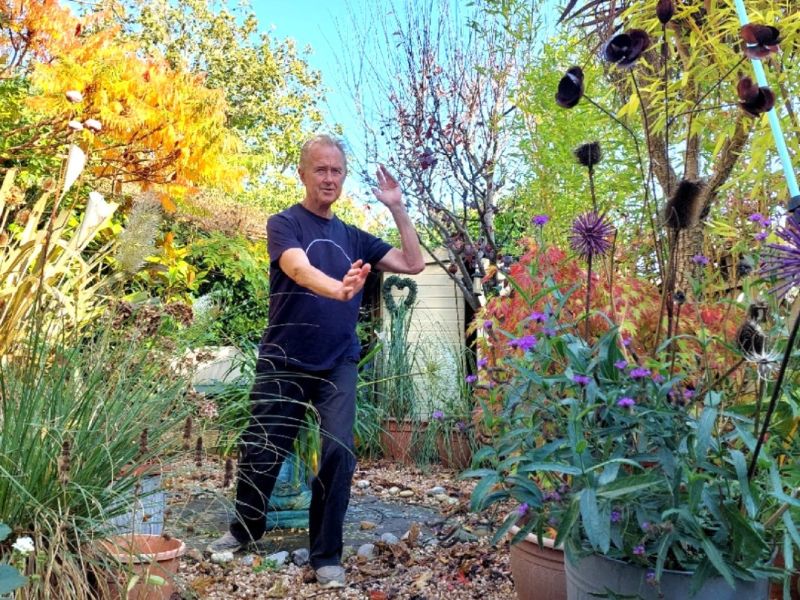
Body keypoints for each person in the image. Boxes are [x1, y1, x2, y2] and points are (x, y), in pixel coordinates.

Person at [207, 135, 424, 588]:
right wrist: (338, 289)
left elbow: (413, 262)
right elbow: (296, 268)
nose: (329, 178)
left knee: (338, 453)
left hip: (337, 362)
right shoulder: (284, 223)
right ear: (303, 174)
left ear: (344, 177)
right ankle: (245, 529)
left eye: (336, 171)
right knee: (262, 452)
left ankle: (325, 553)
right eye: (320, 169)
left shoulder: (354, 237)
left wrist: (397, 206)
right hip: (285, 358)